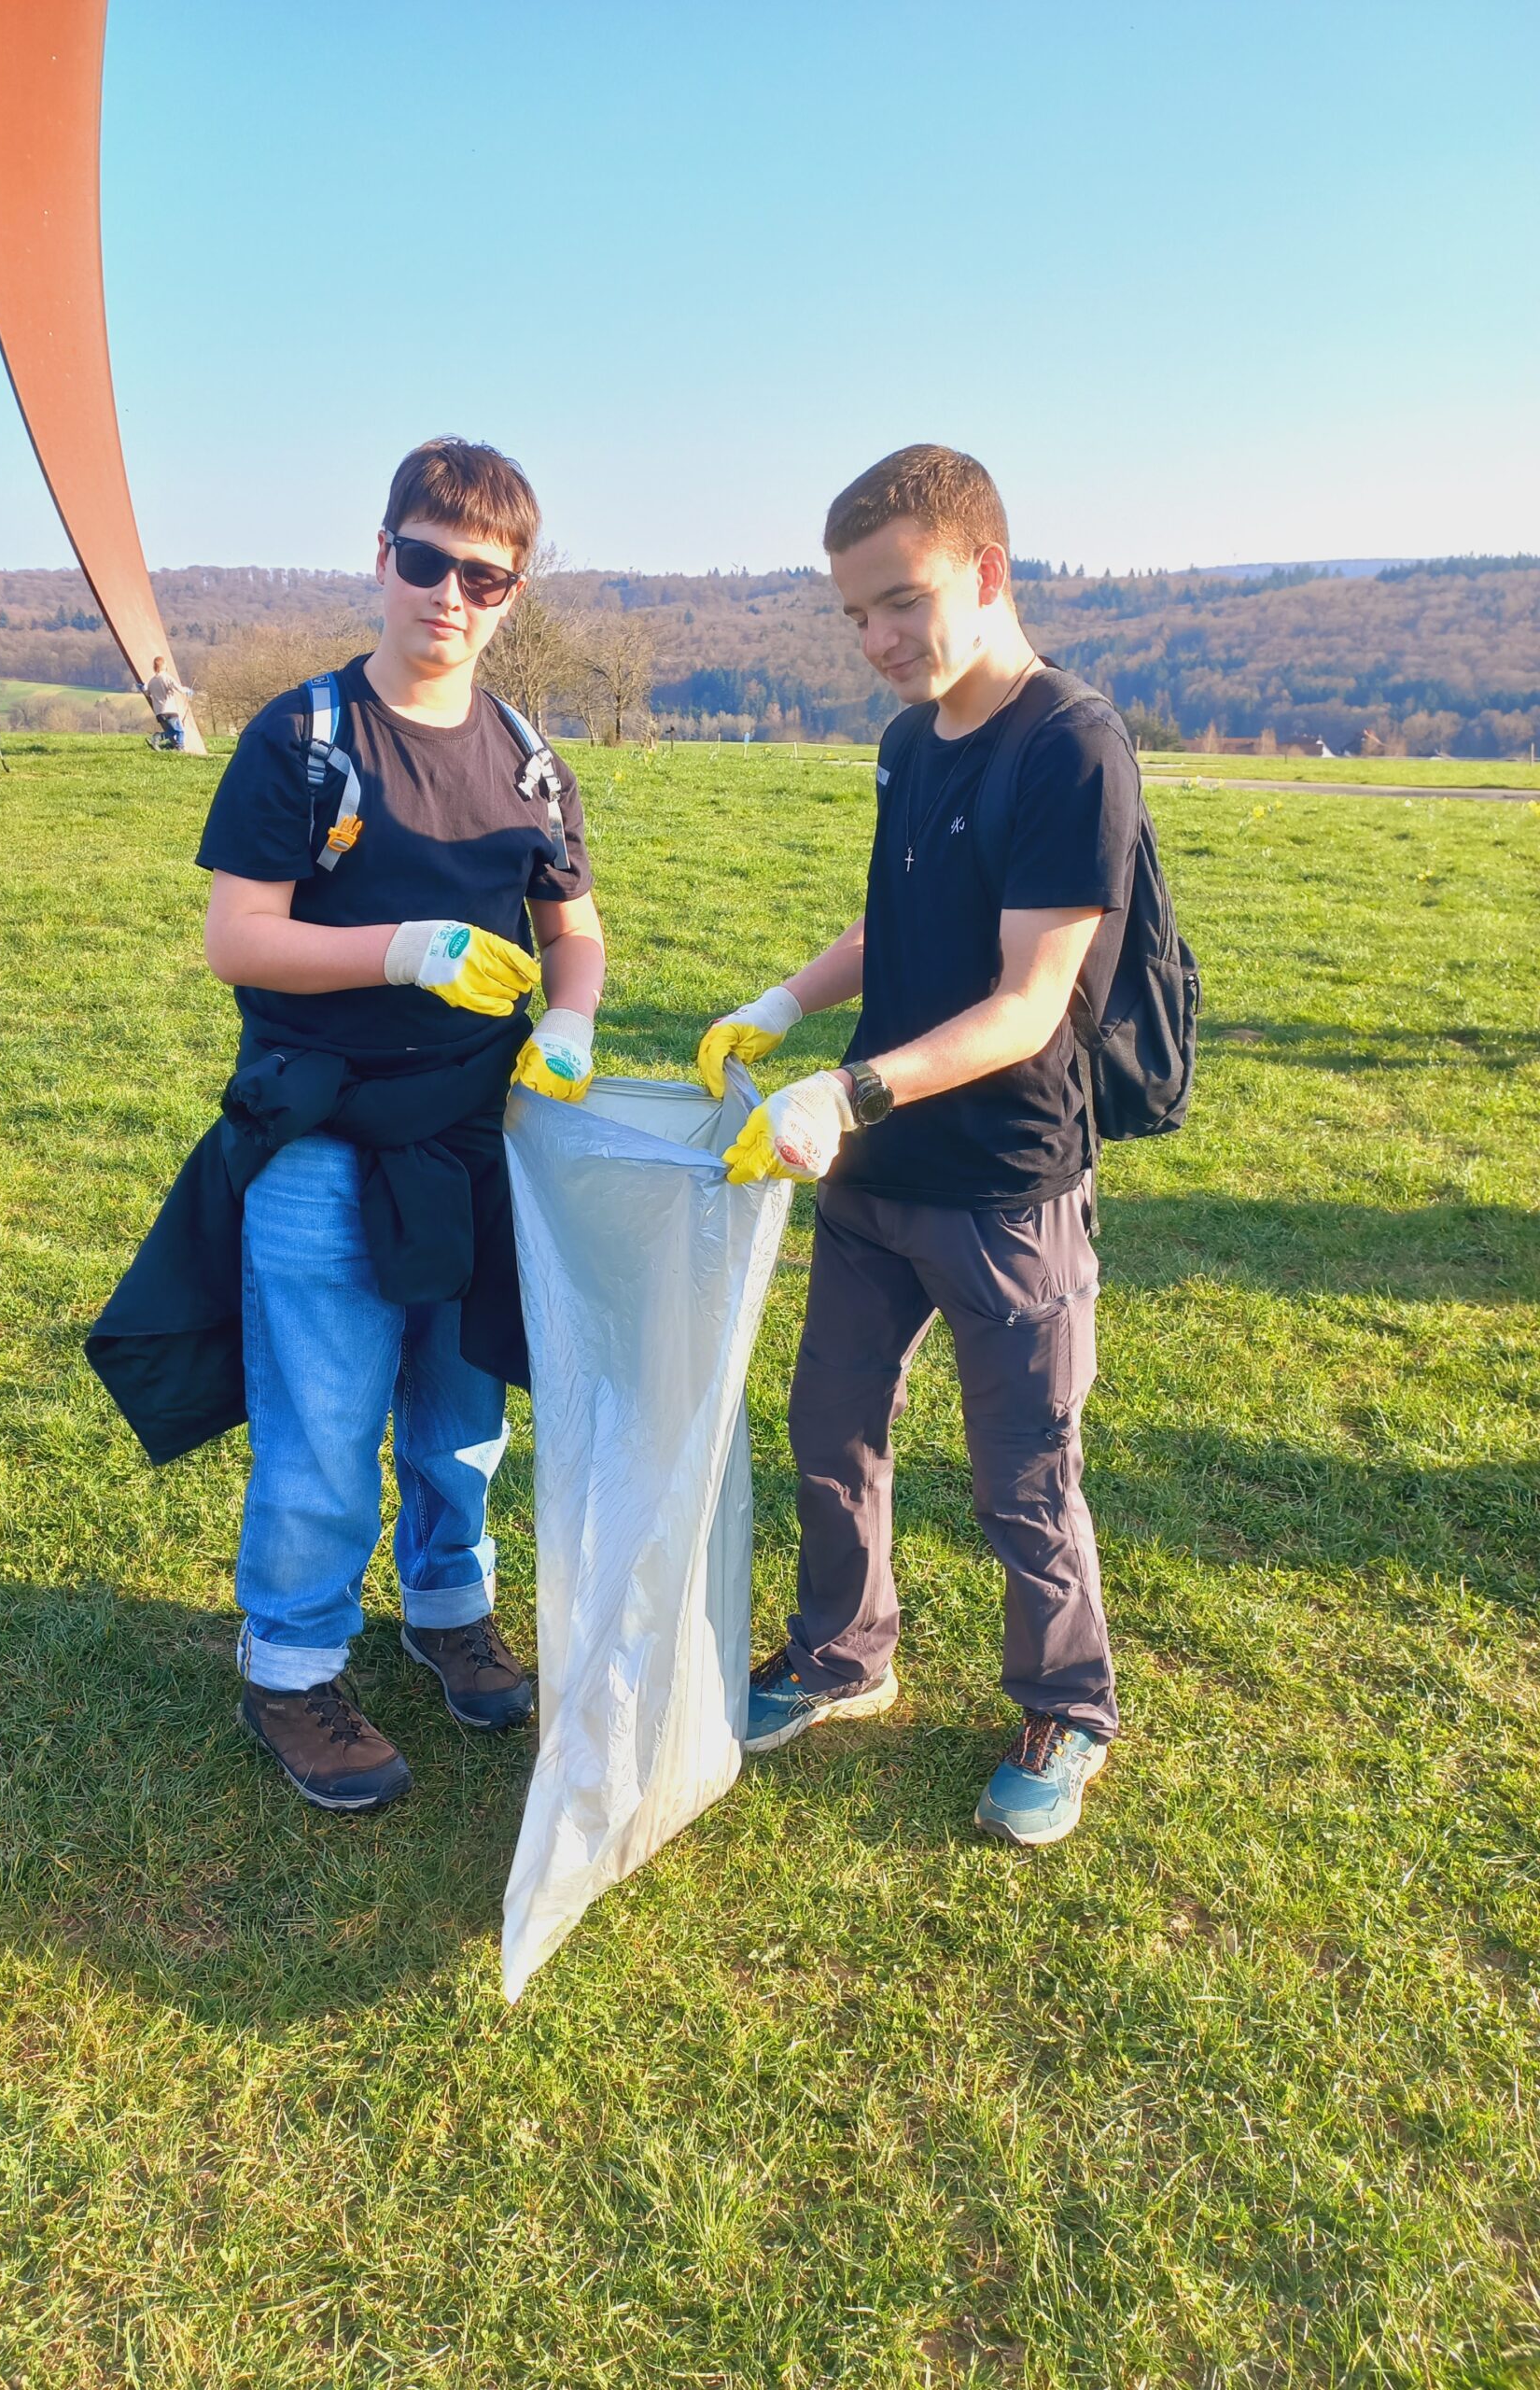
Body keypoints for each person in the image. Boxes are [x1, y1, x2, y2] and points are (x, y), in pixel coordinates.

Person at [700, 444, 1140, 1848]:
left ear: (986, 572)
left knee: (1024, 1471)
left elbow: (1029, 1002)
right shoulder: (910, 741)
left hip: (1004, 1184)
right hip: (876, 1178)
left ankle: (1067, 1706)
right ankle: (846, 1654)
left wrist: (846, 1093)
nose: (878, 640)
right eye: (855, 614)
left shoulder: (1071, 745)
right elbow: (897, 918)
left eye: (901, 601)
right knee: (831, 1427)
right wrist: (784, 1003)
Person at [194, 437, 605, 1815]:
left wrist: (569, 1019)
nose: (450, 596)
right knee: (324, 1424)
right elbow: (237, 936)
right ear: (381, 556)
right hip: (322, 1132)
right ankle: (292, 1670)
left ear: (514, 595)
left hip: (475, 1140)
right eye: (427, 561)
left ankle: (448, 1609)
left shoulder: (529, 761)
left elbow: (575, 930)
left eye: (484, 578)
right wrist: (402, 950)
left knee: (461, 1406)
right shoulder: (305, 737)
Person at [144, 655, 191, 750]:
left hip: (159, 712)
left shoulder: (152, 681)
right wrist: (188, 690)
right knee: (180, 731)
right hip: (170, 710)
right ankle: (178, 747)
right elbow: (179, 689)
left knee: (172, 731)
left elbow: (147, 693)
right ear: (164, 665)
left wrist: (143, 688)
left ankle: (168, 743)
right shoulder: (167, 678)